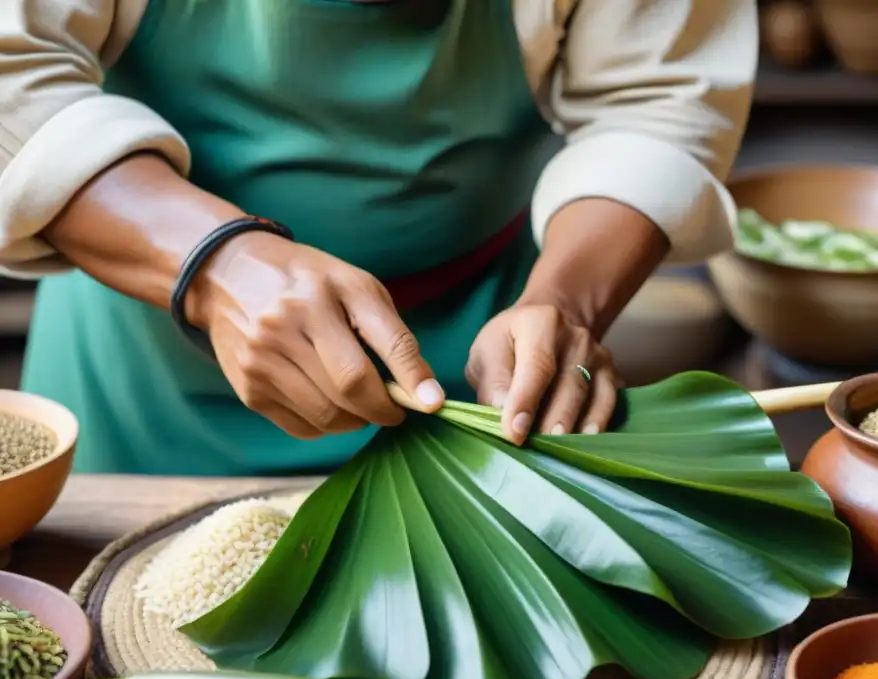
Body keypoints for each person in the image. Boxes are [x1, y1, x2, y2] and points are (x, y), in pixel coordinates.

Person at [0, 0, 756, 476]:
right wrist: (212, 264)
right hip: (146, 377)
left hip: (481, 361)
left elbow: (656, 100)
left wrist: (567, 303)